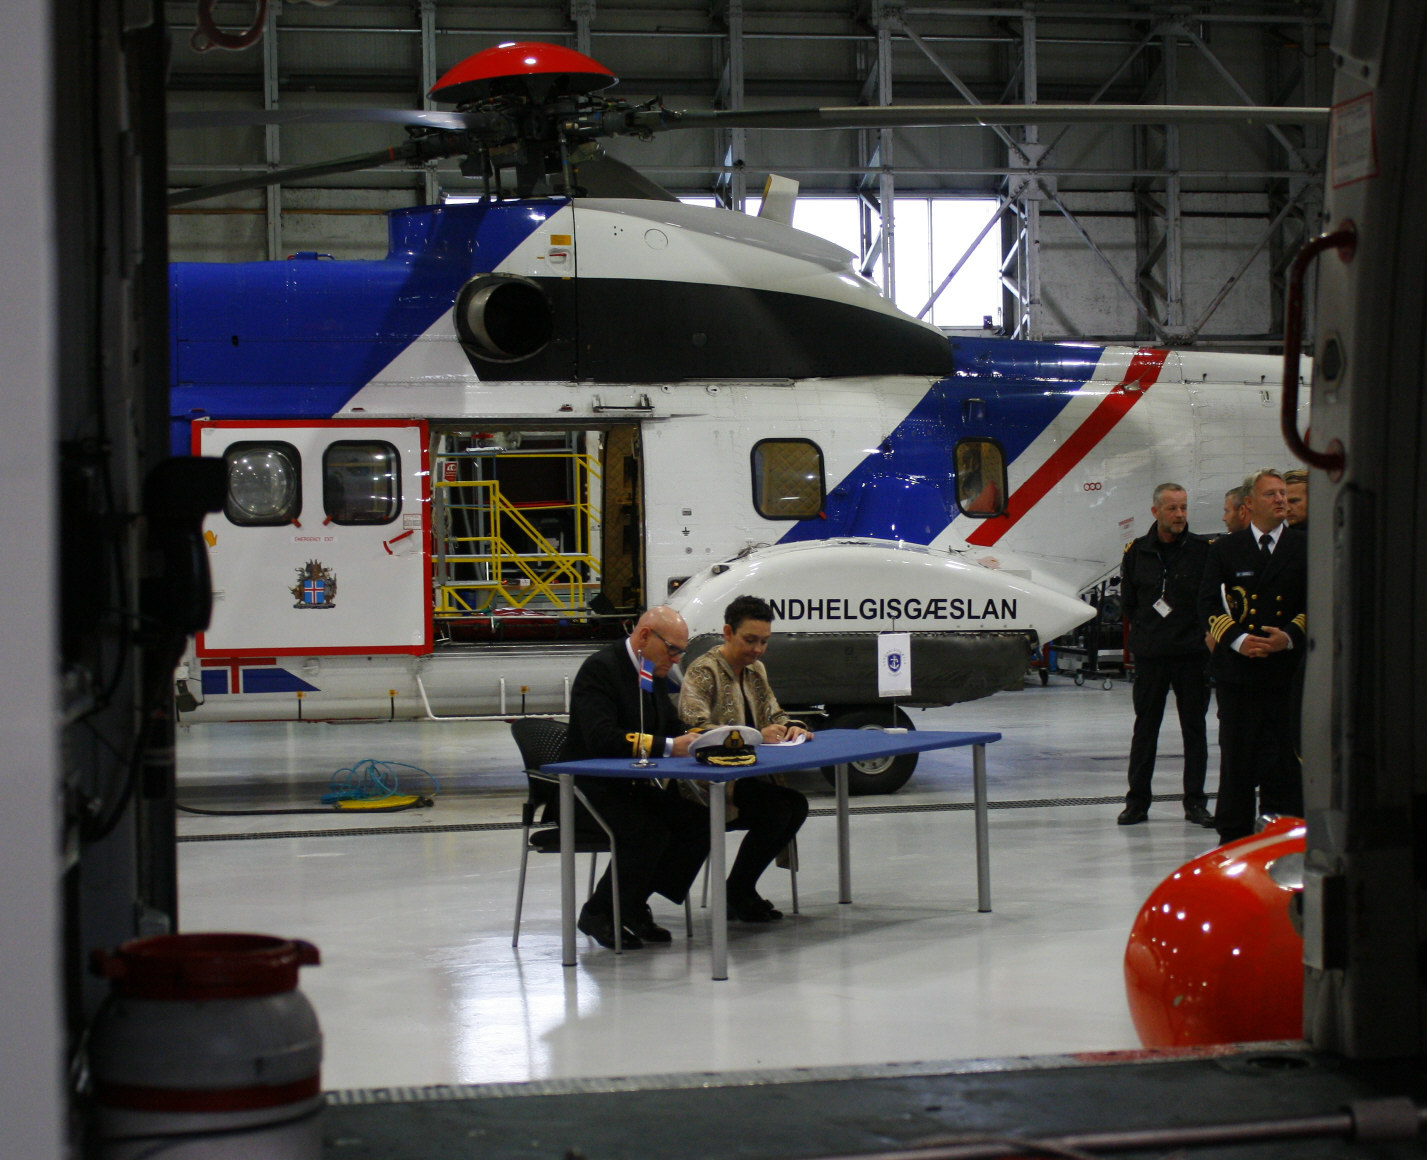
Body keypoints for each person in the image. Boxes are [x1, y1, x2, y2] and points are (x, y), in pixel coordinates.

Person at [560, 606, 711, 950]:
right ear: (645, 636)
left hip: (629, 786)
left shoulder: (649, 672)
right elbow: (603, 738)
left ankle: (630, 903)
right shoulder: (600, 670)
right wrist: (672, 746)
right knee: (649, 832)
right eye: (672, 649)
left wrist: (708, 737)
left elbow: (669, 726)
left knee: (698, 820)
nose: (674, 660)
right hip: (587, 789)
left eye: (680, 652)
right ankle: (599, 913)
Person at [678, 595, 812, 922]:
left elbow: (775, 713)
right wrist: (755, 732)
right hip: (708, 783)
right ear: (727, 632)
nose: (757, 650)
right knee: (779, 809)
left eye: (764, 642)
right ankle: (738, 890)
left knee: (796, 805)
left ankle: (740, 887)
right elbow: (694, 726)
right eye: (750, 640)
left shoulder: (756, 670)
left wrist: (794, 728)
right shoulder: (703, 670)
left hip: (750, 776)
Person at [1198, 469, 1307, 844]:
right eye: (1271, 494)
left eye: (1284, 495)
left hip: (1285, 672)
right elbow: (1208, 603)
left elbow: (1320, 600)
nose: (1280, 500)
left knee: (1285, 763)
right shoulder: (1225, 548)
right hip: (1238, 674)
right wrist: (1238, 639)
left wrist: (1289, 637)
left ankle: (1284, 836)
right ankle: (1233, 840)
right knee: (1238, 762)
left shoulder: (1306, 546)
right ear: (1249, 504)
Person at [1118, 484, 1213, 826]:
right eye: (1172, 508)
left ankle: (1196, 802)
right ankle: (1137, 802)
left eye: (1184, 508)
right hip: (1151, 655)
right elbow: (1129, 603)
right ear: (1155, 511)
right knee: (1145, 729)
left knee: (1195, 730)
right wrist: (1146, 635)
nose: (1180, 515)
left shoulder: (1203, 551)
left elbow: (1209, 600)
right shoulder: (1137, 552)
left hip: (1191, 655)